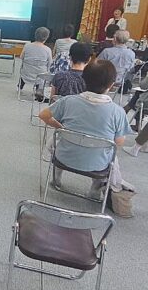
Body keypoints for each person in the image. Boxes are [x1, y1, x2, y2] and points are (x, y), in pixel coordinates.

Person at [38, 60, 132, 197]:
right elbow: (118, 142)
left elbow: (43, 115)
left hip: (64, 157)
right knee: (109, 153)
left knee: (55, 142)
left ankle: (56, 179)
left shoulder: (68, 101)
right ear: (112, 85)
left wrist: (61, 128)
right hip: (98, 164)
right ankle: (95, 189)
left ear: (84, 79)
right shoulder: (118, 112)